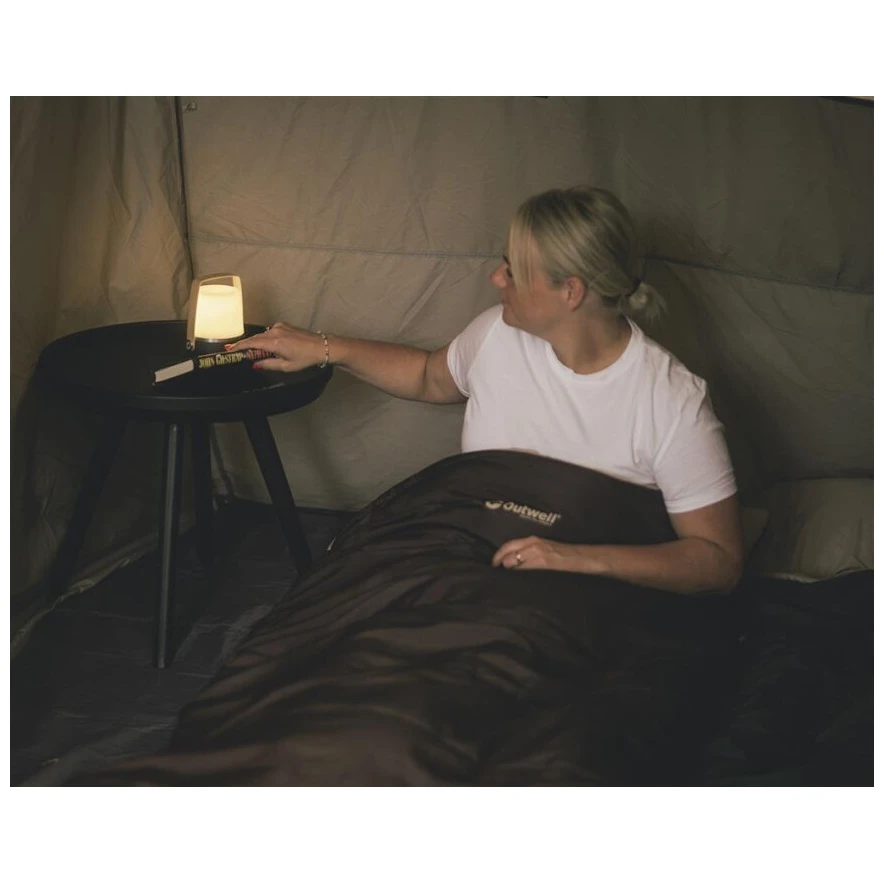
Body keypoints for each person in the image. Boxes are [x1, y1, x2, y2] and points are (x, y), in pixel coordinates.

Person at [228, 186, 743, 594]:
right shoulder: (497, 334)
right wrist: (324, 347)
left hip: (581, 599)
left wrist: (574, 558)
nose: (497, 278)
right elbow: (428, 376)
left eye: (513, 270)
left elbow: (717, 559)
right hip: (474, 561)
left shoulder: (670, 401)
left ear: (570, 291)